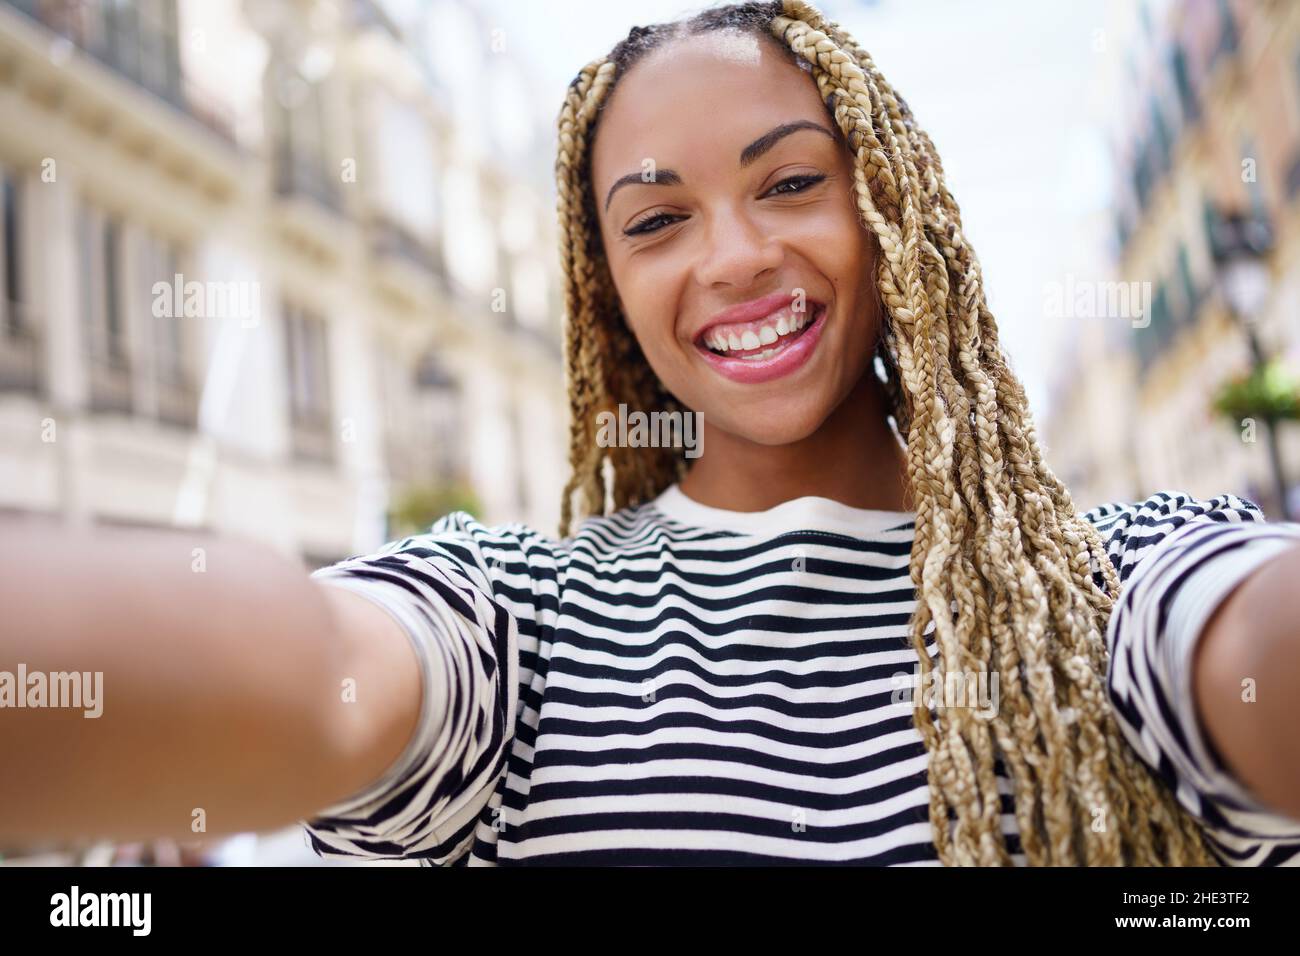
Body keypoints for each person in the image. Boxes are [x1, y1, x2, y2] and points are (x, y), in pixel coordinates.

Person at [3, 0, 1300, 867]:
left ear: (891, 213)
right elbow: (314, 659)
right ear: (609, 287)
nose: (734, 258)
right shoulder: (522, 627)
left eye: (790, 184)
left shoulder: (1116, 591)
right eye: (657, 219)